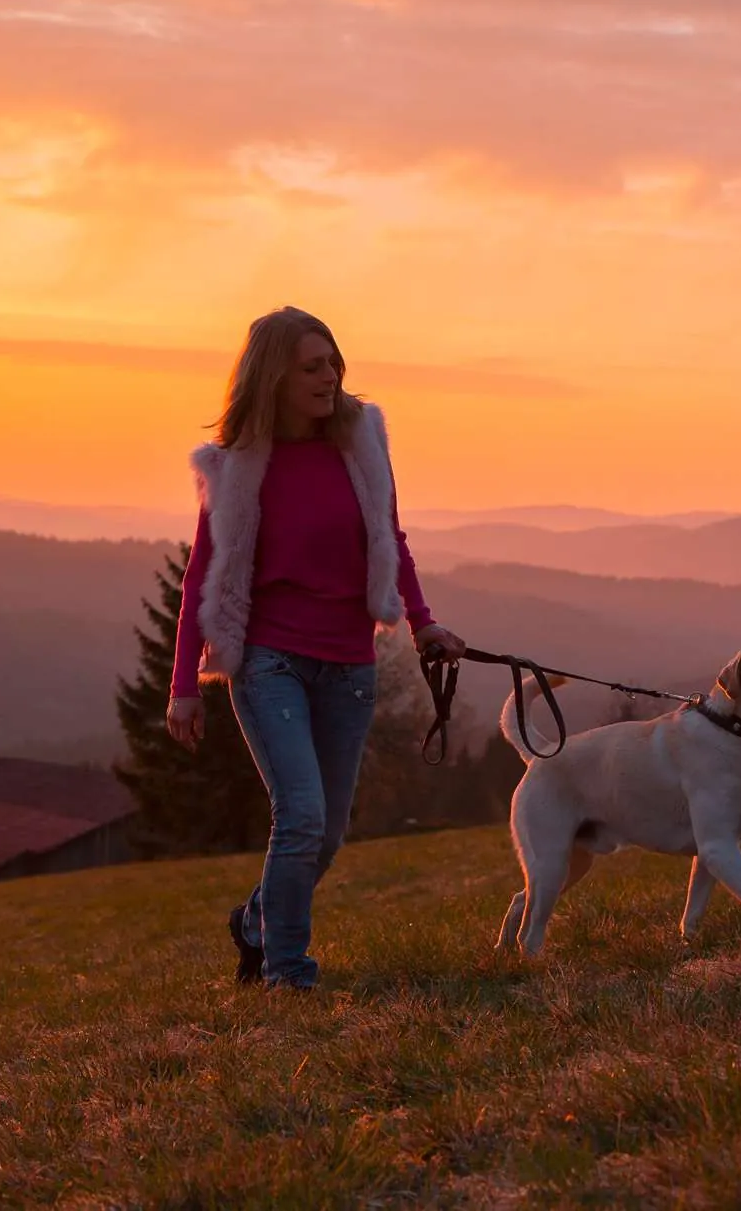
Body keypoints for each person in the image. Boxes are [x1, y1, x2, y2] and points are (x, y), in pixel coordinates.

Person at [167, 306, 466, 990]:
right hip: (270, 662)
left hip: (348, 665)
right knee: (299, 815)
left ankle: (254, 922)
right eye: (312, 365)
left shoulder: (360, 444)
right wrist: (184, 684)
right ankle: (287, 972)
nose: (329, 376)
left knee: (325, 835)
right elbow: (202, 578)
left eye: (333, 362)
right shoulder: (236, 466)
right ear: (274, 377)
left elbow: (392, 542)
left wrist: (423, 623)